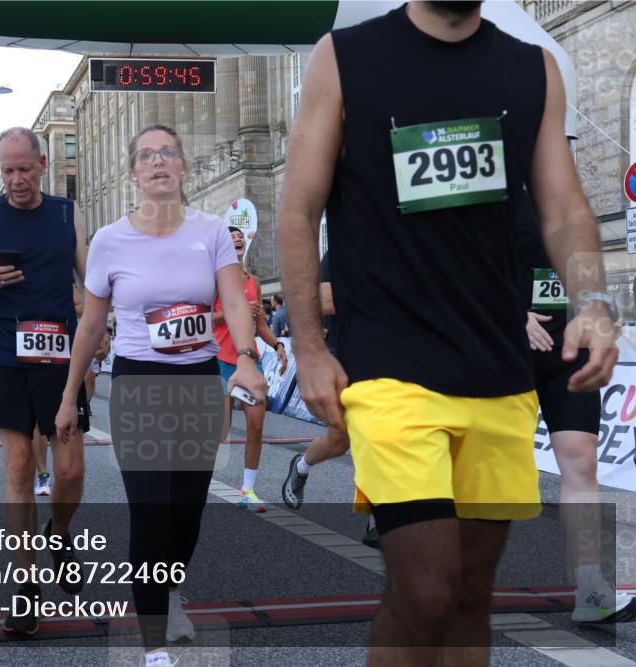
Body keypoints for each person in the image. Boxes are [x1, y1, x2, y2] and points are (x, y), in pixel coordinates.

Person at [278, 3, 618, 665]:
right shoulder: (344, 58)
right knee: (424, 590)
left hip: (498, 373)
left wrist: (594, 300)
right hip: (391, 370)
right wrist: (310, 348)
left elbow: (563, 205)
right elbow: (298, 207)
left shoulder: (533, 68)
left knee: (468, 594)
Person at [56, 125, 266, 667]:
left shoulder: (212, 231)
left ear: (182, 168)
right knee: (150, 510)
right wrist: (69, 394)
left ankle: (170, 590)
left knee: (187, 510)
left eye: (167, 153)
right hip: (139, 385)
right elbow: (90, 325)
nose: (157, 162)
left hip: (198, 384)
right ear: (133, 175)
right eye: (146, 156)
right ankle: (154, 647)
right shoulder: (109, 241)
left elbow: (234, 299)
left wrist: (245, 357)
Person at [0, 127, 90, 636]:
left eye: (24, 169)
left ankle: (60, 532)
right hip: (5, 352)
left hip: (59, 354)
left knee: (70, 468)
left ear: (42, 164)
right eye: (7, 171)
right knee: (17, 465)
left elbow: (91, 281)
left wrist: (98, 330)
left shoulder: (67, 213)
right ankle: (26, 586)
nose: (16, 180)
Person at [515, 196, 635, 624]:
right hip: (508, 346)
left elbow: (585, 268)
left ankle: (590, 587)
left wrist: (604, 313)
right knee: (487, 468)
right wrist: (510, 314)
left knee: (582, 463)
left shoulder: (568, 204)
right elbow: (459, 268)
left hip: (570, 349)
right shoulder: (495, 192)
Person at [281, 251, 376, 545]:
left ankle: (379, 518)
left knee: (381, 434)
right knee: (340, 441)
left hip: (391, 355)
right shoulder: (341, 251)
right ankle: (301, 465)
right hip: (346, 355)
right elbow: (324, 300)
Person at [215, 226, 288, 513]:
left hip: (249, 358)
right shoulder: (215, 278)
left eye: (240, 238)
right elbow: (206, 318)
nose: (238, 241)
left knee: (256, 425)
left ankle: (248, 490)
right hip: (220, 360)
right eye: (231, 239)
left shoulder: (253, 281)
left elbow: (260, 325)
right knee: (220, 433)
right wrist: (236, 309)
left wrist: (277, 345)